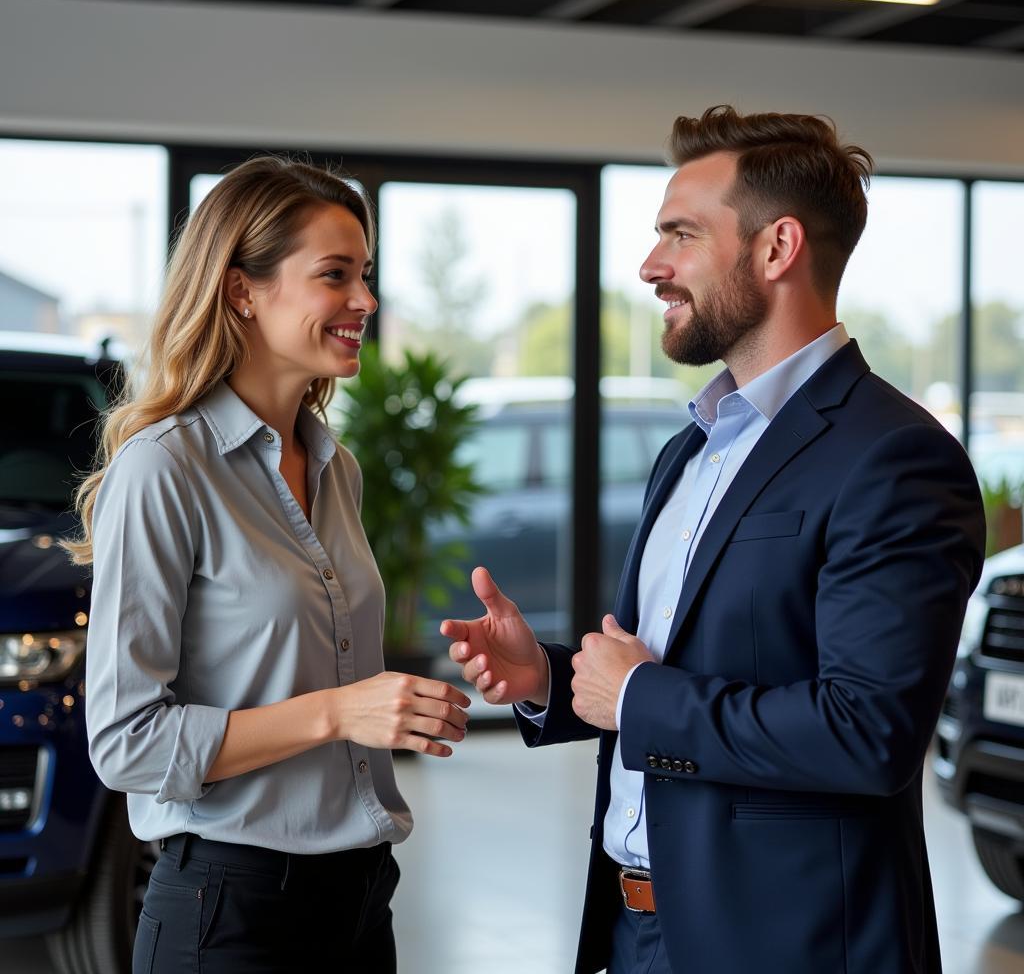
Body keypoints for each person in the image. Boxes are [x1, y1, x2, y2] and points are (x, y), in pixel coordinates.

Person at [443, 106, 986, 974]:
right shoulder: (689, 448)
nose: (651, 266)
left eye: (681, 235)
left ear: (777, 249)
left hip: (786, 946)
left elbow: (868, 732)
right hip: (637, 929)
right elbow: (677, 665)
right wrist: (548, 679)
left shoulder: (896, 457)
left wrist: (639, 699)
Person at [67, 156, 471, 974]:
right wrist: (337, 713)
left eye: (366, 276)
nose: (366, 302)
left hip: (359, 899)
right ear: (242, 290)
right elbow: (126, 743)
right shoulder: (165, 468)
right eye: (335, 276)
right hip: (231, 912)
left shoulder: (335, 467)